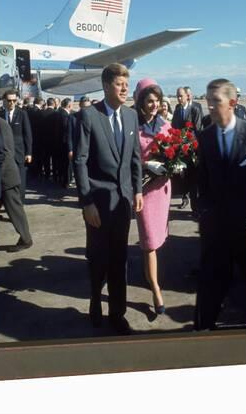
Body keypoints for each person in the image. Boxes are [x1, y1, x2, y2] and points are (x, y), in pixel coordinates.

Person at [74, 63, 143, 335]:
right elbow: (79, 160)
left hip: (123, 201)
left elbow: (135, 157)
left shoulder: (131, 116)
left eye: (127, 83)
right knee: (98, 258)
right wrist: (86, 202)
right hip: (98, 204)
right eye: (119, 84)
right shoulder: (89, 116)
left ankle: (117, 313)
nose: (125, 88)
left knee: (120, 259)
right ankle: (95, 301)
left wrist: (137, 189)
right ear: (105, 86)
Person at [195, 79, 246, 330]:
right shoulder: (205, 137)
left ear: (232, 103)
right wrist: (204, 215)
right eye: (208, 101)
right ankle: (202, 329)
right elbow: (202, 180)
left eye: (215, 101)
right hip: (216, 227)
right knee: (210, 282)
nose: (209, 106)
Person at [135, 83, 172, 314]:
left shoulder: (166, 125)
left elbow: (176, 149)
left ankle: (152, 274)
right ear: (140, 102)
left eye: (157, 100)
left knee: (158, 237)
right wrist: (146, 164)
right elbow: (126, 158)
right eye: (150, 101)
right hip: (145, 190)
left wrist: (174, 164)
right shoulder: (133, 127)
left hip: (162, 189)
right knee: (149, 240)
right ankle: (156, 288)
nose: (154, 104)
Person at [0, 103, 33, 252]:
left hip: (5, 176)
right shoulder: (0, 123)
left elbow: (4, 153)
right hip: (3, 176)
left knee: (15, 210)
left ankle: (26, 239)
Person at [0, 89, 33, 201]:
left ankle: (19, 202)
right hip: (3, 153)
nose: (12, 103)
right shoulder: (0, 115)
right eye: (9, 100)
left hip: (19, 153)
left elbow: (28, 134)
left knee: (20, 179)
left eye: (14, 100)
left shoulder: (22, 114)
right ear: (4, 101)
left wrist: (29, 153)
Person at [172, 87, 202, 214]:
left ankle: (195, 208)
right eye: (177, 96)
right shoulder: (177, 110)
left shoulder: (194, 109)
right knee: (183, 177)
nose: (179, 98)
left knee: (194, 179)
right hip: (181, 150)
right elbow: (174, 127)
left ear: (187, 96)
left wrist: (191, 143)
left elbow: (198, 129)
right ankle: (185, 199)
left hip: (192, 150)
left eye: (181, 96)